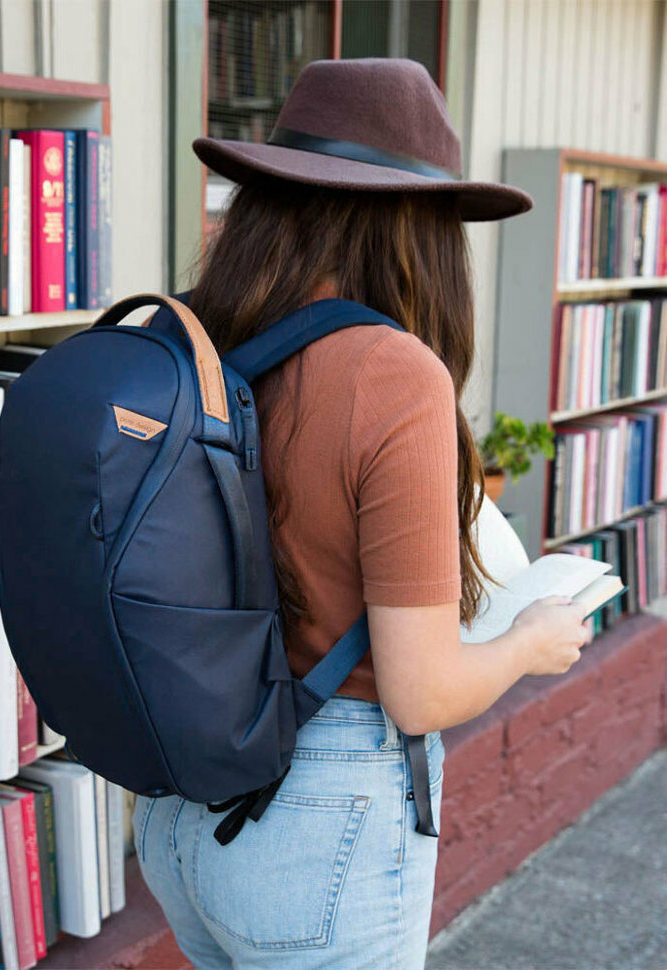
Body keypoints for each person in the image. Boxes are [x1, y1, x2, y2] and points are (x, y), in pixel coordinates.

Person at [131, 58, 592, 970]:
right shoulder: (392, 374)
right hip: (317, 818)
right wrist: (531, 644)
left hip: (179, 809)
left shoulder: (195, 339)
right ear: (417, 228)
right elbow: (421, 692)